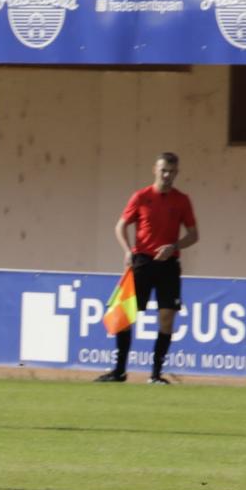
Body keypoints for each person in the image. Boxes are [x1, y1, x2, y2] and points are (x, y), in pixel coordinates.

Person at [97, 151, 200, 385]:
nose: (167, 175)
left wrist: (174, 245)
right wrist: (127, 250)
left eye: (172, 172)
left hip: (169, 265)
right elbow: (120, 226)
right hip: (142, 262)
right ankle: (119, 371)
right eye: (164, 170)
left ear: (177, 173)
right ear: (155, 169)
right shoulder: (141, 197)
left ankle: (155, 375)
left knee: (166, 318)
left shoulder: (182, 200)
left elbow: (194, 235)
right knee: (126, 315)